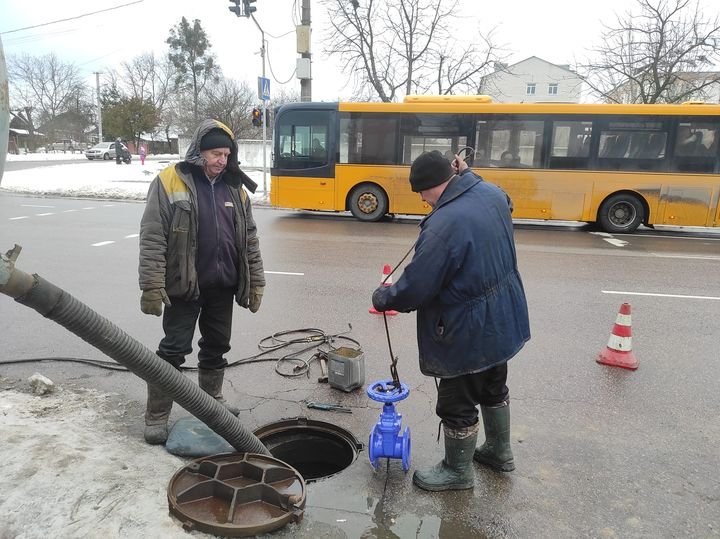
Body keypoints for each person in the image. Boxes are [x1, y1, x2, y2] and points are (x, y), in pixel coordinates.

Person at [371, 150, 530, 492]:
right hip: (502, 317)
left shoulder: (445, 225)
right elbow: (498, 195)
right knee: (492, 385)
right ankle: (499, 451)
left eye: (421, 193)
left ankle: (457, 472)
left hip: (466, 329)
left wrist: (385, 297)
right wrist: (468, 173)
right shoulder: (491, 194)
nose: (422, 201)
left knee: (456, 400)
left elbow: (417, 287)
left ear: (432, 186)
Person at [138, 118, 266, 445]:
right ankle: (156, 414)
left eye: (226, 154)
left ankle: (212, 405)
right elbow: (153, 237)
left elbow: (249, 238)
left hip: (222, 287)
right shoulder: (169, 181)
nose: (221, 160)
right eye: (215, 154)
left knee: (216, 348)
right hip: (184, 287)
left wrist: (256, 281)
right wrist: (152, 285)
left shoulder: (235, 187)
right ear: (199, 152)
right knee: (173, 351)